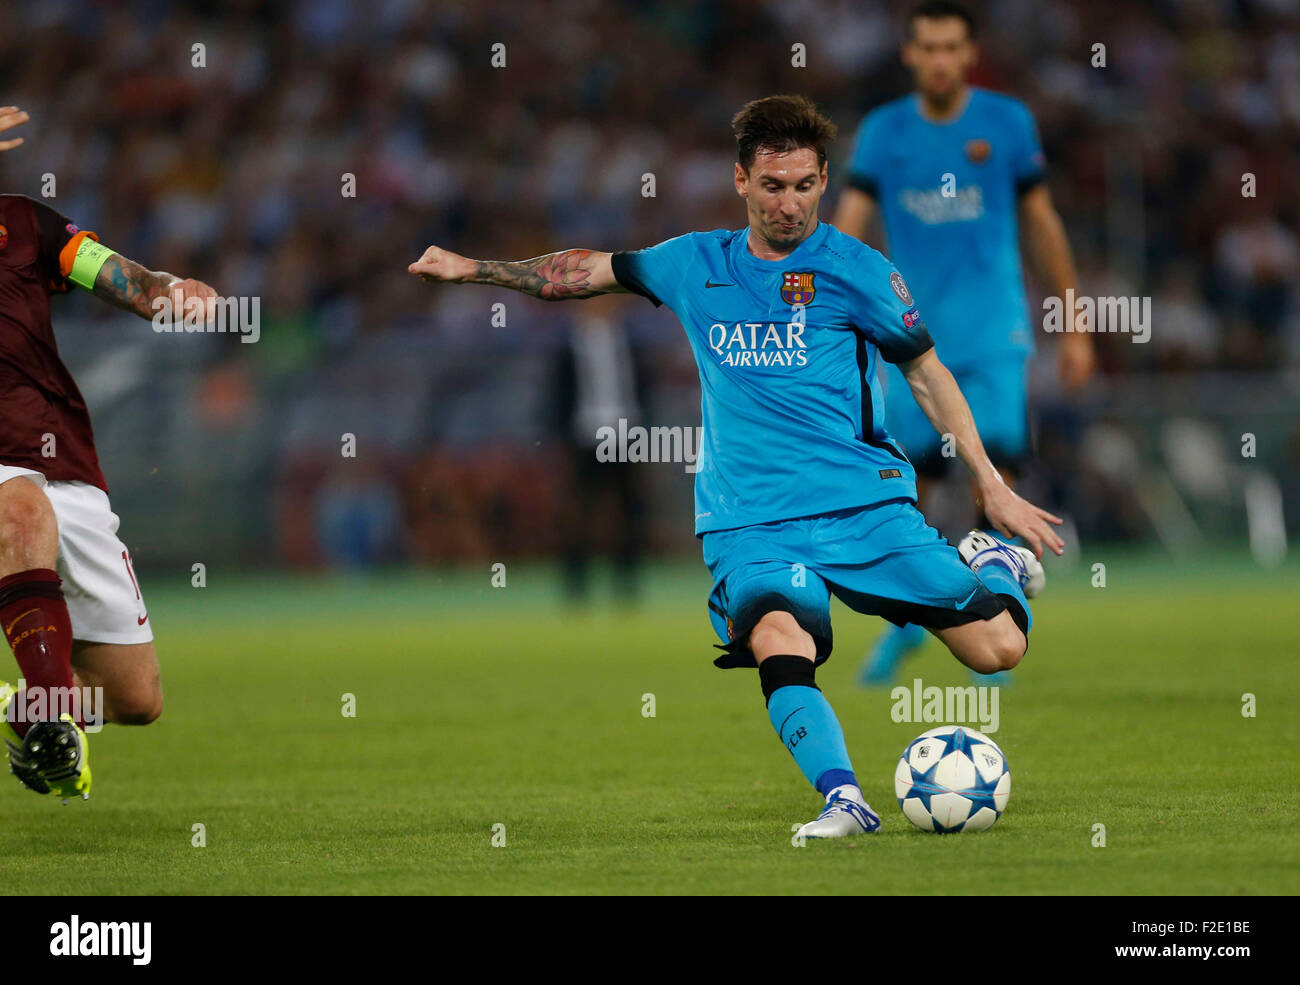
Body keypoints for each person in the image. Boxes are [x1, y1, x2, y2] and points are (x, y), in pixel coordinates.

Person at [409, 94, 1063, 839]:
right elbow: (584, 270)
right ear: (742, 182)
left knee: (998, 648)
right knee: (778, 638)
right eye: (774, 186)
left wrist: (990, 485)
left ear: (824, 181)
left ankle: (992, 558)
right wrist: (471, 270)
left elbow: (928, 375)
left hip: (864, 506)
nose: (791, 203)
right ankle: (844, 797)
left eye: (806, 185)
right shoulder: (694, 264)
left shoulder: (857, 270)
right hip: (750, 517)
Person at [832, 1, 1093, 684]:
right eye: (928, 47)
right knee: (904, 489)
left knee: (994, 477)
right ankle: (909, 625)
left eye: (952, 47)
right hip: (911, 337)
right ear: (909, 55)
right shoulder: (883, 132)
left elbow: (1042, 221)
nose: (941, 59)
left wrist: (1073, 319)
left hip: (993, 334)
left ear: (969, 53)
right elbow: (848, 227)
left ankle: (997, 632)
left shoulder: (1006, 123)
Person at [0, 108, 217, 800]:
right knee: (19, 510)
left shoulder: (27, 225)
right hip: (9, 476)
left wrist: (169, 292)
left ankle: (30, 710)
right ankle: (55, 717)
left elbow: (118, 275)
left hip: (64, 456)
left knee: (134, 697)